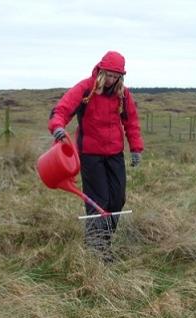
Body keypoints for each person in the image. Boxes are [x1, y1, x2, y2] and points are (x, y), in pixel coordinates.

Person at [48, 50, 144, 262]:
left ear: (121, 76)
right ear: (101, 70)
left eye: (115, 76)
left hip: (115, 154)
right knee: (98, 201)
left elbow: (132, 122)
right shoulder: (85, 88)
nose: (110, 79)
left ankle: (104, 243)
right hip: (90, 155)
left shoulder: (123, 94)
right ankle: (96, 250)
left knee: (117, 200)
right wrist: (57, 127)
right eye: (108, 74)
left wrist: (136, 148)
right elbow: (61, 109)